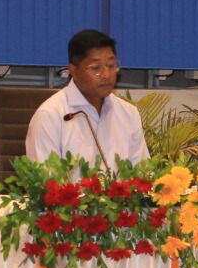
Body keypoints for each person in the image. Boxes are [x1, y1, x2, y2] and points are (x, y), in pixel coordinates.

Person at [25, 29, 149, 166]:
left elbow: (142, 172)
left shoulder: (128, 114)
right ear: (73, 71)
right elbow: (45, 177)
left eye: (110, 65)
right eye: (95, 68)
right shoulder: (50, 116)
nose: (106, 75)